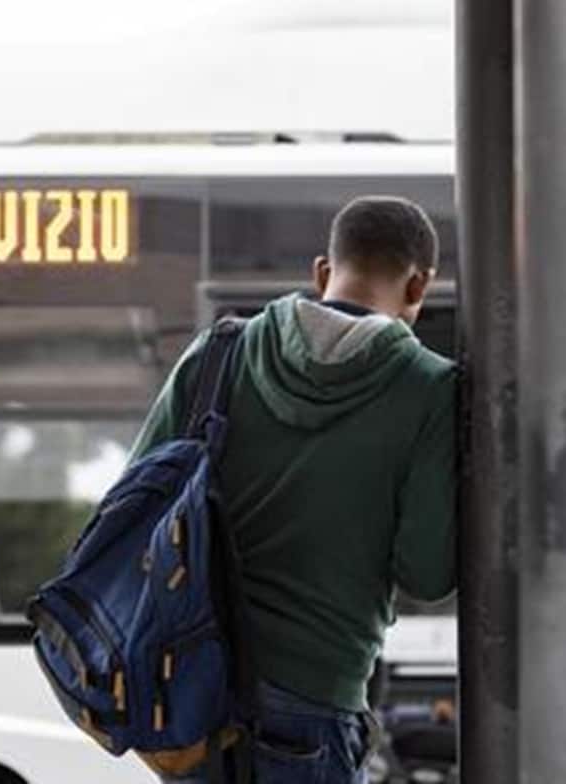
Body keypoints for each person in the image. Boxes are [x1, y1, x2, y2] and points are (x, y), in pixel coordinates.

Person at [129, 195, 457, 783]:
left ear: (323, 272)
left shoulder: (217, 353)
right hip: (315, 697)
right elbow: (426, 573)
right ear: (418, 286)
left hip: (191, 695)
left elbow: (136, 506)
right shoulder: (429, 389)